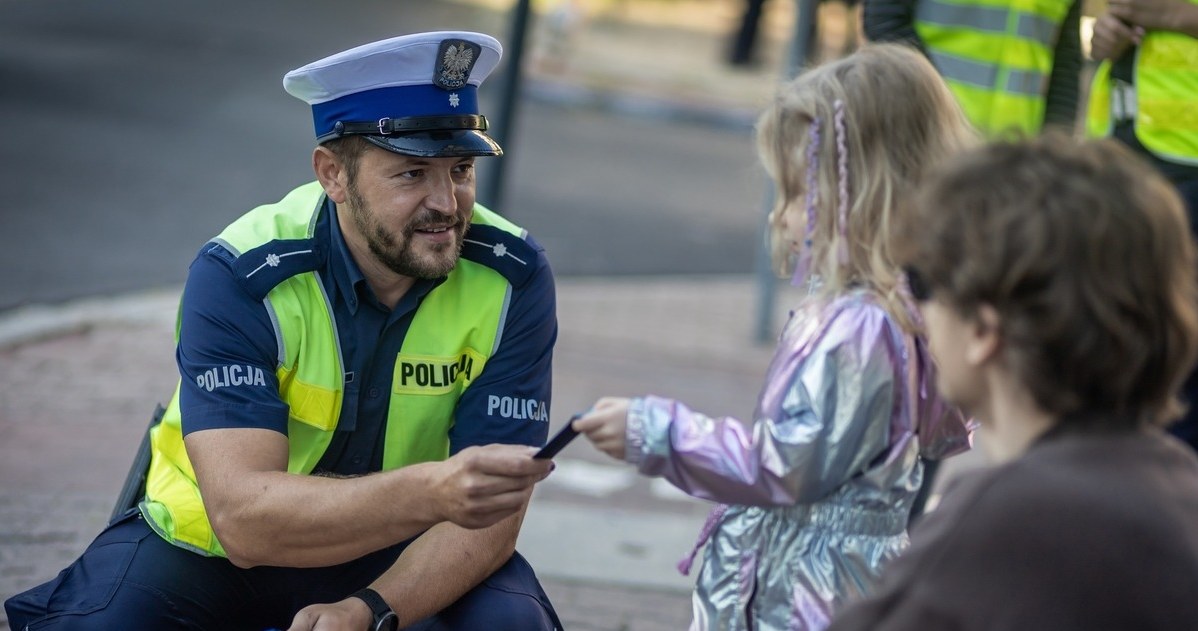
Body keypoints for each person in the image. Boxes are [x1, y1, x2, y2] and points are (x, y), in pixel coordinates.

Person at [4, 31, 563, 631]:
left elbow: (490, 518)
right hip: (210, 549)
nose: (447, 203)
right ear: (333, 175)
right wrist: (434, 490)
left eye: (460, 169)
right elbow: (244, 520)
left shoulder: (513, 276)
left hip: (404, 550)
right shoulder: (241, 272)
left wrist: (369, 610)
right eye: (412, 174)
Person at [573, 43, 976, 630]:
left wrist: (653, 431)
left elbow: (784, 466)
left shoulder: (859, 328)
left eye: (791, 194)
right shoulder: (902, 312)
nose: (777, 216)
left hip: (804, 595)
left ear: (854, 194)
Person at [826, 134, 1198, 631]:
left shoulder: (1011, 517)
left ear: (984, 330)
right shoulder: (1177, 481)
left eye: (921, 280)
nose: (915, 305)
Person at [1088, 0, 1198, 452]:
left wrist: (1175, 15)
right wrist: (1107, 35)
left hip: (1187, 163)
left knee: (1182, 349)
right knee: (1118, 334)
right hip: (1122, 154)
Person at [862, 0, 1083, 138]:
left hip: (1016, 159)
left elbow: (1065, 60)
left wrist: (1054, 145)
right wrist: (938, 118)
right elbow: (884, 22)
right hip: (927, 142)